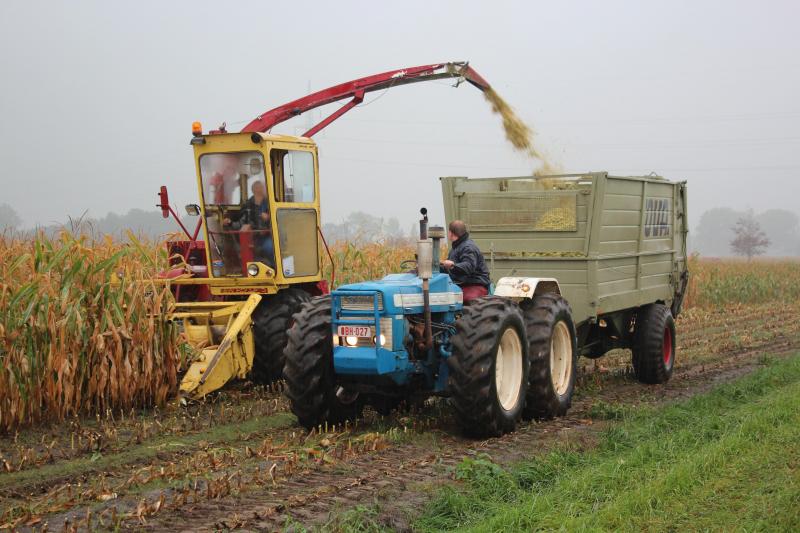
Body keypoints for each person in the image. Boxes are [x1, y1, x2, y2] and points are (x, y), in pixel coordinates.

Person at [440, 220, 491, 303]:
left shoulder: (468, 247)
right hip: (461, 284)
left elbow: (469, 266)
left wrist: (453, 265)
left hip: (475, 284)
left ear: (450, 233)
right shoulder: (456, 248)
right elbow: (449, 270)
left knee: (460, 300)